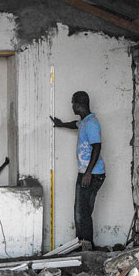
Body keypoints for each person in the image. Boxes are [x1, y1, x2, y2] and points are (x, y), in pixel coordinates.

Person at [51, 91, 105, 250]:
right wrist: (61, 124)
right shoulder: (84, 122)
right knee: (81, 212)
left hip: (92, 175)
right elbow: (75, 124)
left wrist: (88, 173)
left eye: (73, 102)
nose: (72, 106)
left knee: (83, 213)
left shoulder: (92, 124)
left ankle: (87, 248)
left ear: (79, 104)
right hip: (87, 173)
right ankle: (83, 246)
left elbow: (97, 147)